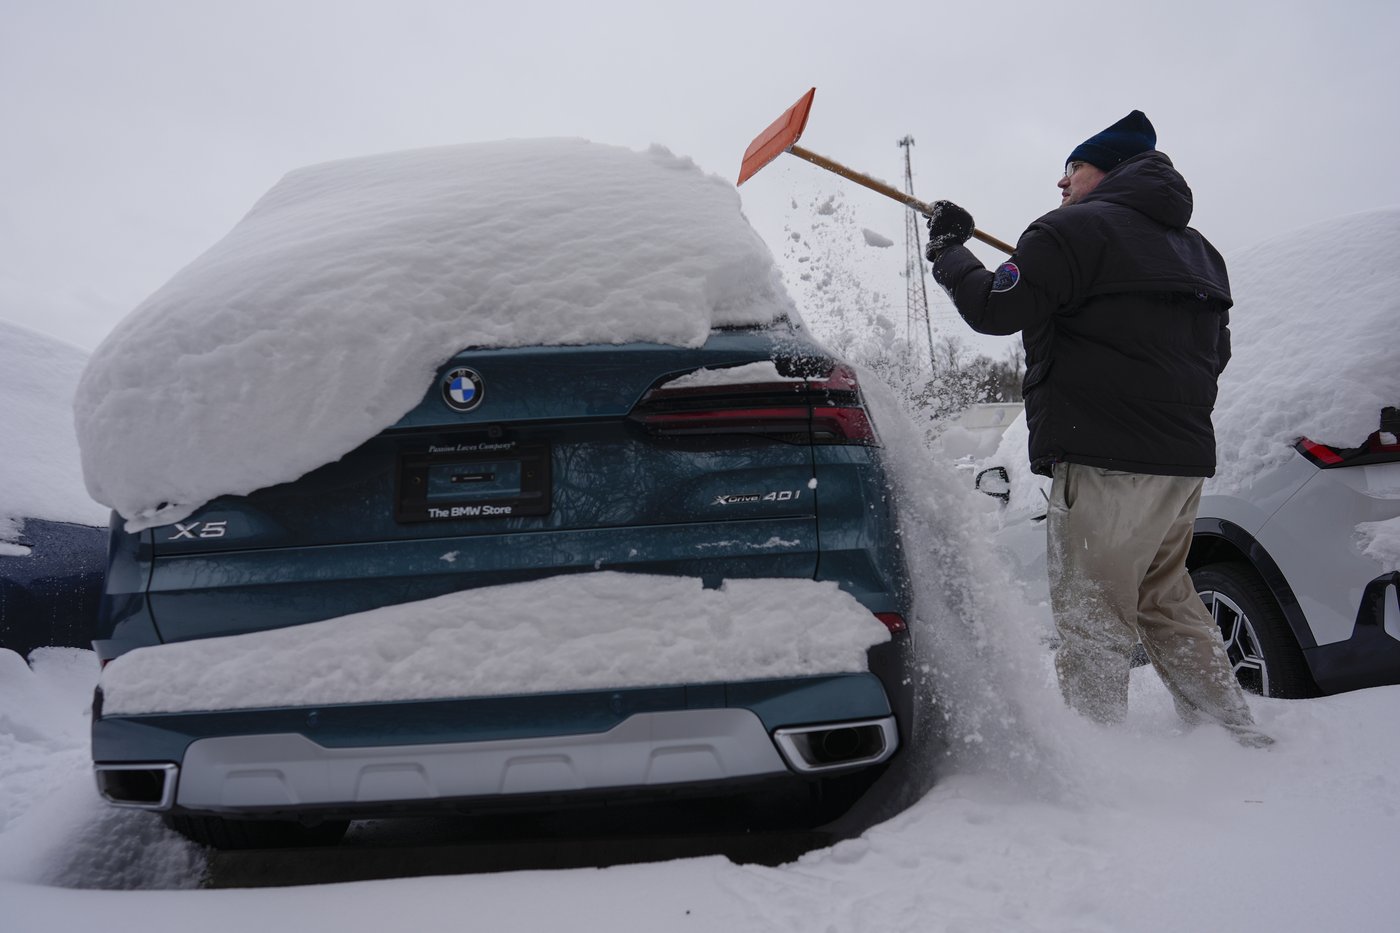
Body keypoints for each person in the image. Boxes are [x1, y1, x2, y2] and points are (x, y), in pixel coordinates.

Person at [924, 111, 1271, 747]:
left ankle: (1096, 764)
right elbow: (1212, 356)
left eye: (1073, 168)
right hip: (1181, 463)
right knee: (1166, 600)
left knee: (1093, 617)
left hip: (1106, 459)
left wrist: (950, 252)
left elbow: (994, 307)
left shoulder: (1068, 233)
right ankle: (1234, 736)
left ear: (1108, 171)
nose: (1060, 183)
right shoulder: (1200, 252)